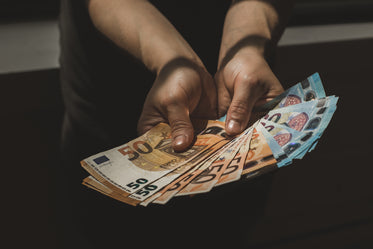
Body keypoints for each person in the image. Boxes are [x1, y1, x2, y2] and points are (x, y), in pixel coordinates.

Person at [57, 0, 293, 248]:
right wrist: (174, 62)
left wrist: (246, 49)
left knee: (226, 225)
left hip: (239, 97)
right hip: (113, 90)